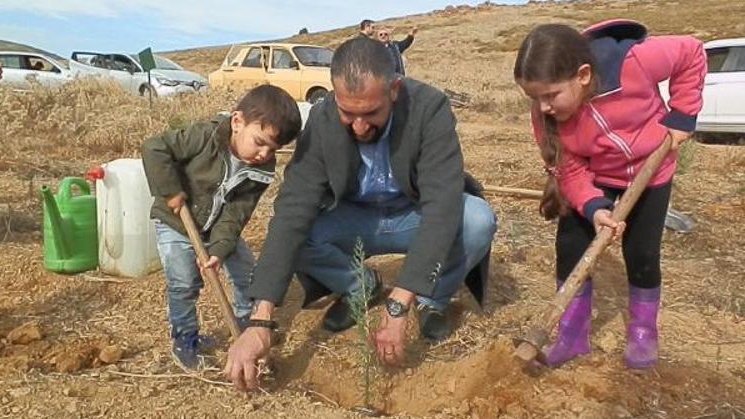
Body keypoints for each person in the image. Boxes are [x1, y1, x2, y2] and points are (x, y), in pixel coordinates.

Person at [225, 36, 496, 391]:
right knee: (301, 234)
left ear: (394, 90)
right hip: (354, 219)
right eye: (347, 113)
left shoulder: (429, 108)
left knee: (476, 219)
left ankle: (432, 299)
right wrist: (260, 321)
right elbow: (292, 211)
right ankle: (360, 287)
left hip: (412, 215)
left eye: (370, 114)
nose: (358, 126)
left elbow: (441, 207)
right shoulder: (322, 120)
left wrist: (400, 303)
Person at [513, 20, 706, 369]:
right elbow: (569, 171)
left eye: (551, 95)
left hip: (652, 170)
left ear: (583, 75)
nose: (542, 107)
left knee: (642, 254)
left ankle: (643, 332)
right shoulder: (546, 117)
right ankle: (571, 336)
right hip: (596, 176)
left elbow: (691, 51)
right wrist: (594, 207)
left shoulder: (634, 62)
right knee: (570, 246)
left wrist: (683, 115)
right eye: (534, 97)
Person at [141, 85, 301, 371]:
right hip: (177, 222)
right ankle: (185, 339)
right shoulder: (205, 136)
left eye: (272, 149)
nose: (264, 154)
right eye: (259, 141)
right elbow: (155, 148)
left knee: (245, 274)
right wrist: (171, 191)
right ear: (237, 122)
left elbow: (237, 213)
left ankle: (246, 325)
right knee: (183, 283)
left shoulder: (261, 169)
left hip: (218, 226)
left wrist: (219, 249)